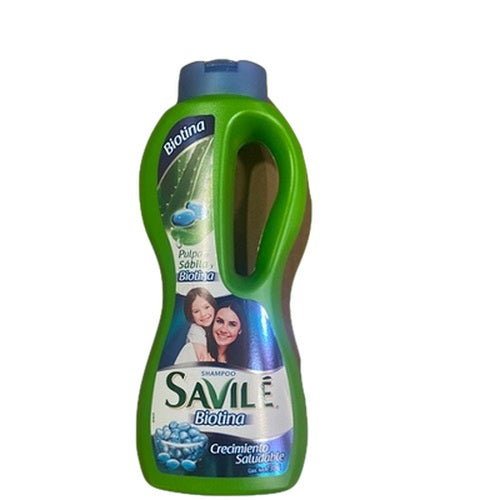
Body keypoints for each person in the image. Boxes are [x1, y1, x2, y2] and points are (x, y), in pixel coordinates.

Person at [175, 288, 216, 364]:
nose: (203, 314)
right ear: (191, 315)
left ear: (213, 305)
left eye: (207, 307)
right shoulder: (196, 330)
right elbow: (203, 360)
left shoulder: (216, 326)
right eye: (196, 311)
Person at [206, 301, 248, 367]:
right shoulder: (197, 350)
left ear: (240, 330)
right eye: (219, 321)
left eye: (232, 324)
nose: (223, 330)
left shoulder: (246, 361)